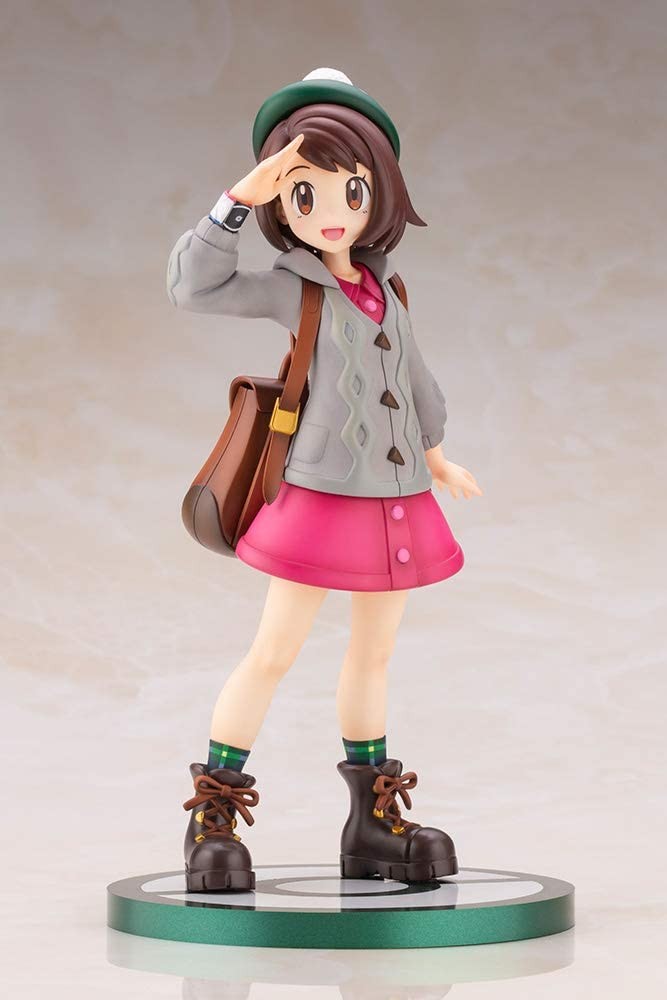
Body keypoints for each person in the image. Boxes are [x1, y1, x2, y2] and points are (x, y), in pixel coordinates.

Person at [168, 68, 482, 892]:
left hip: (398, 497)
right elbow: (192, 286)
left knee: (374, 655)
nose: (333, 211)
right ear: (284, 203)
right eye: (304, 194)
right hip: (319, 495)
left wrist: (436, 453)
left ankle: (372, 823)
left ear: (380, 191)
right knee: (274, 651)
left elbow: (413, 377)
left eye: (351, 189)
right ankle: (213, 812)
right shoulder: (293, 287)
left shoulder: (386, 288)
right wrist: (236, 201)